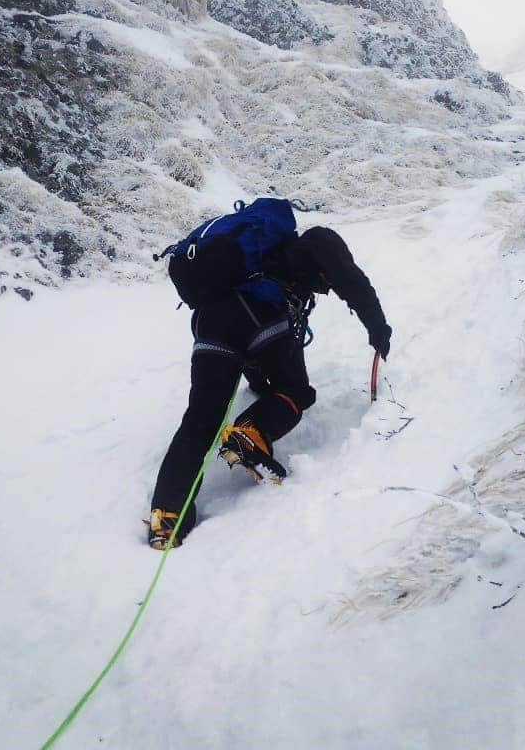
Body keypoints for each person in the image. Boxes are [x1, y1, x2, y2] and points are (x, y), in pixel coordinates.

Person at [148, 224, 391, 549]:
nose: (326, 288)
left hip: (210, 322)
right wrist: (378, 328)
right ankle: (250, 432)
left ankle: (166, 517)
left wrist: (259, 382)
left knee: (202, 418)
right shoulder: (319, 243)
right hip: (259, 317)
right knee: (296, 391)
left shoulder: (258, 256)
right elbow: (354, 283)